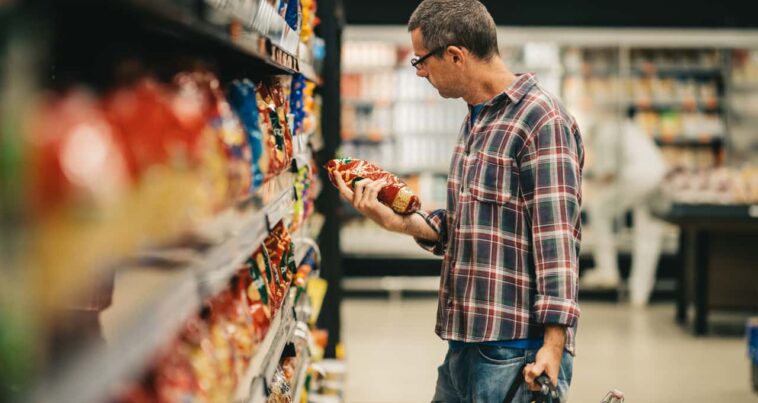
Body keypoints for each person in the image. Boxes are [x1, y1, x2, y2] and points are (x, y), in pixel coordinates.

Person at [333, 0, 584, 401]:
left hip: (515, 350)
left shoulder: (541, 122)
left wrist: (553, 346)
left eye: (421, 60)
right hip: (465, 342)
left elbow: (558, 245)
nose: (420, 72)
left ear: (455, 55)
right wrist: (398, 221)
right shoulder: (477, 119)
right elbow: (469, 226)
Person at [579, 114, 667, 307]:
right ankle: (639, 294)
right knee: (648, 235)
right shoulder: (625, 126)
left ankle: (607, 270)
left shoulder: (604, 132)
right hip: (659, 175)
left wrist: (584, 178)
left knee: (599, 210)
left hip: (636, 177)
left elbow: (608, 173)